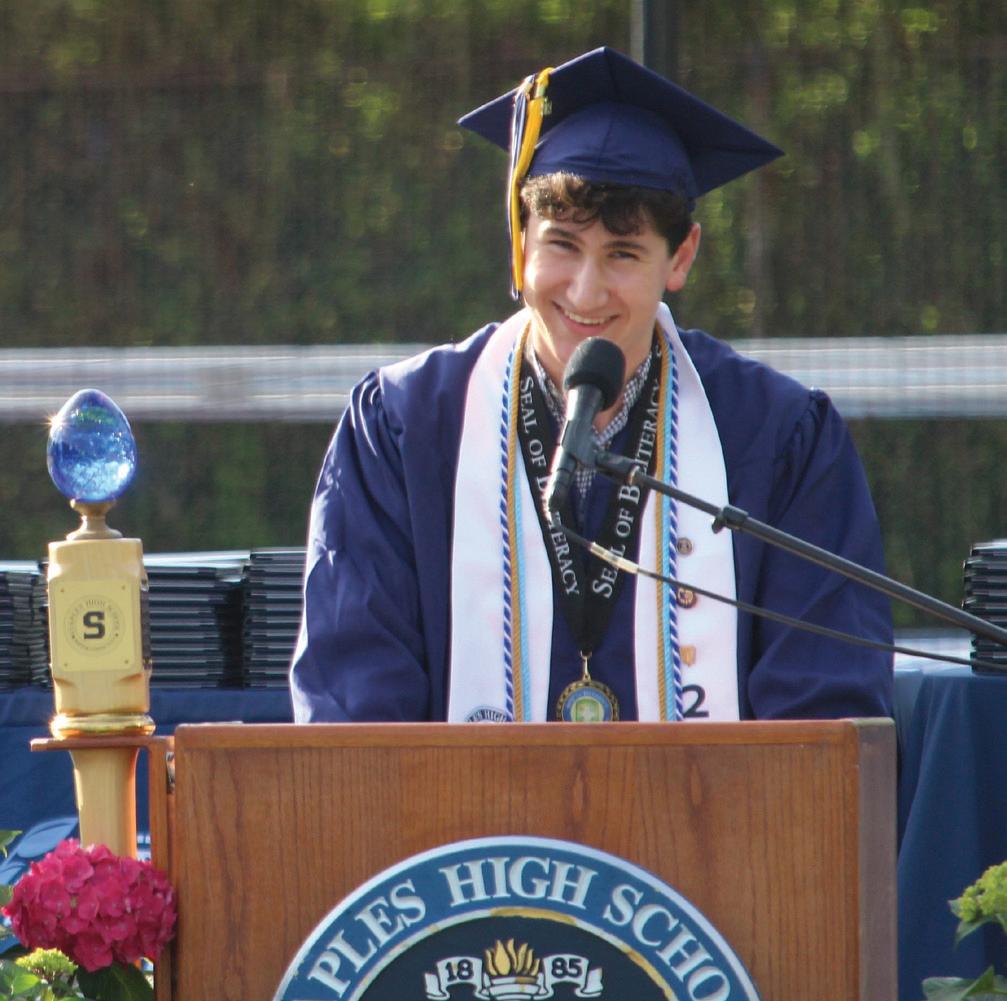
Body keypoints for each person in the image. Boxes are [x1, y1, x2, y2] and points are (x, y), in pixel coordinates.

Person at [290, 47, 894, 723]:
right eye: (562, 245)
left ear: (681, 257)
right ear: (521, 240)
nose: (584, 291)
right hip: (457, 801)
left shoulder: (775, 435)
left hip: (706, 798)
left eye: (622, 254)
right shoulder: (405, 427)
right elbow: (354, 703)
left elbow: (825, 708)